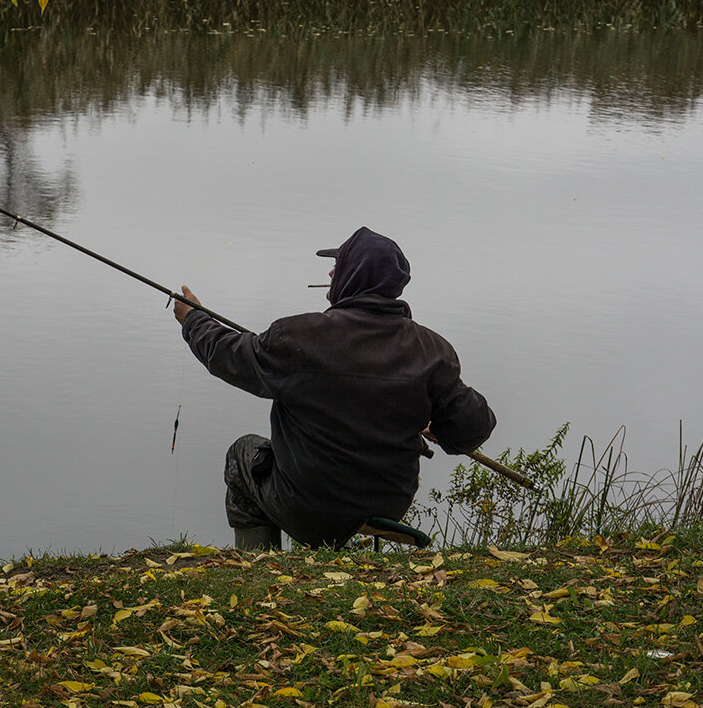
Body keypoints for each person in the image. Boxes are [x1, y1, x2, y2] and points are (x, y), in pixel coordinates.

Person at [172, 226, 496, 550]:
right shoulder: (433, 351)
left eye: (337, 265)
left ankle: (262, 566)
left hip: (309, 506)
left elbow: (227, 355)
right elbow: (473, 428)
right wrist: (441, 428)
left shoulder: (298, 336)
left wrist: (193, 319)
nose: (330, 272)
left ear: (353, 275)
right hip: (389, 503)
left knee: (242, 452)